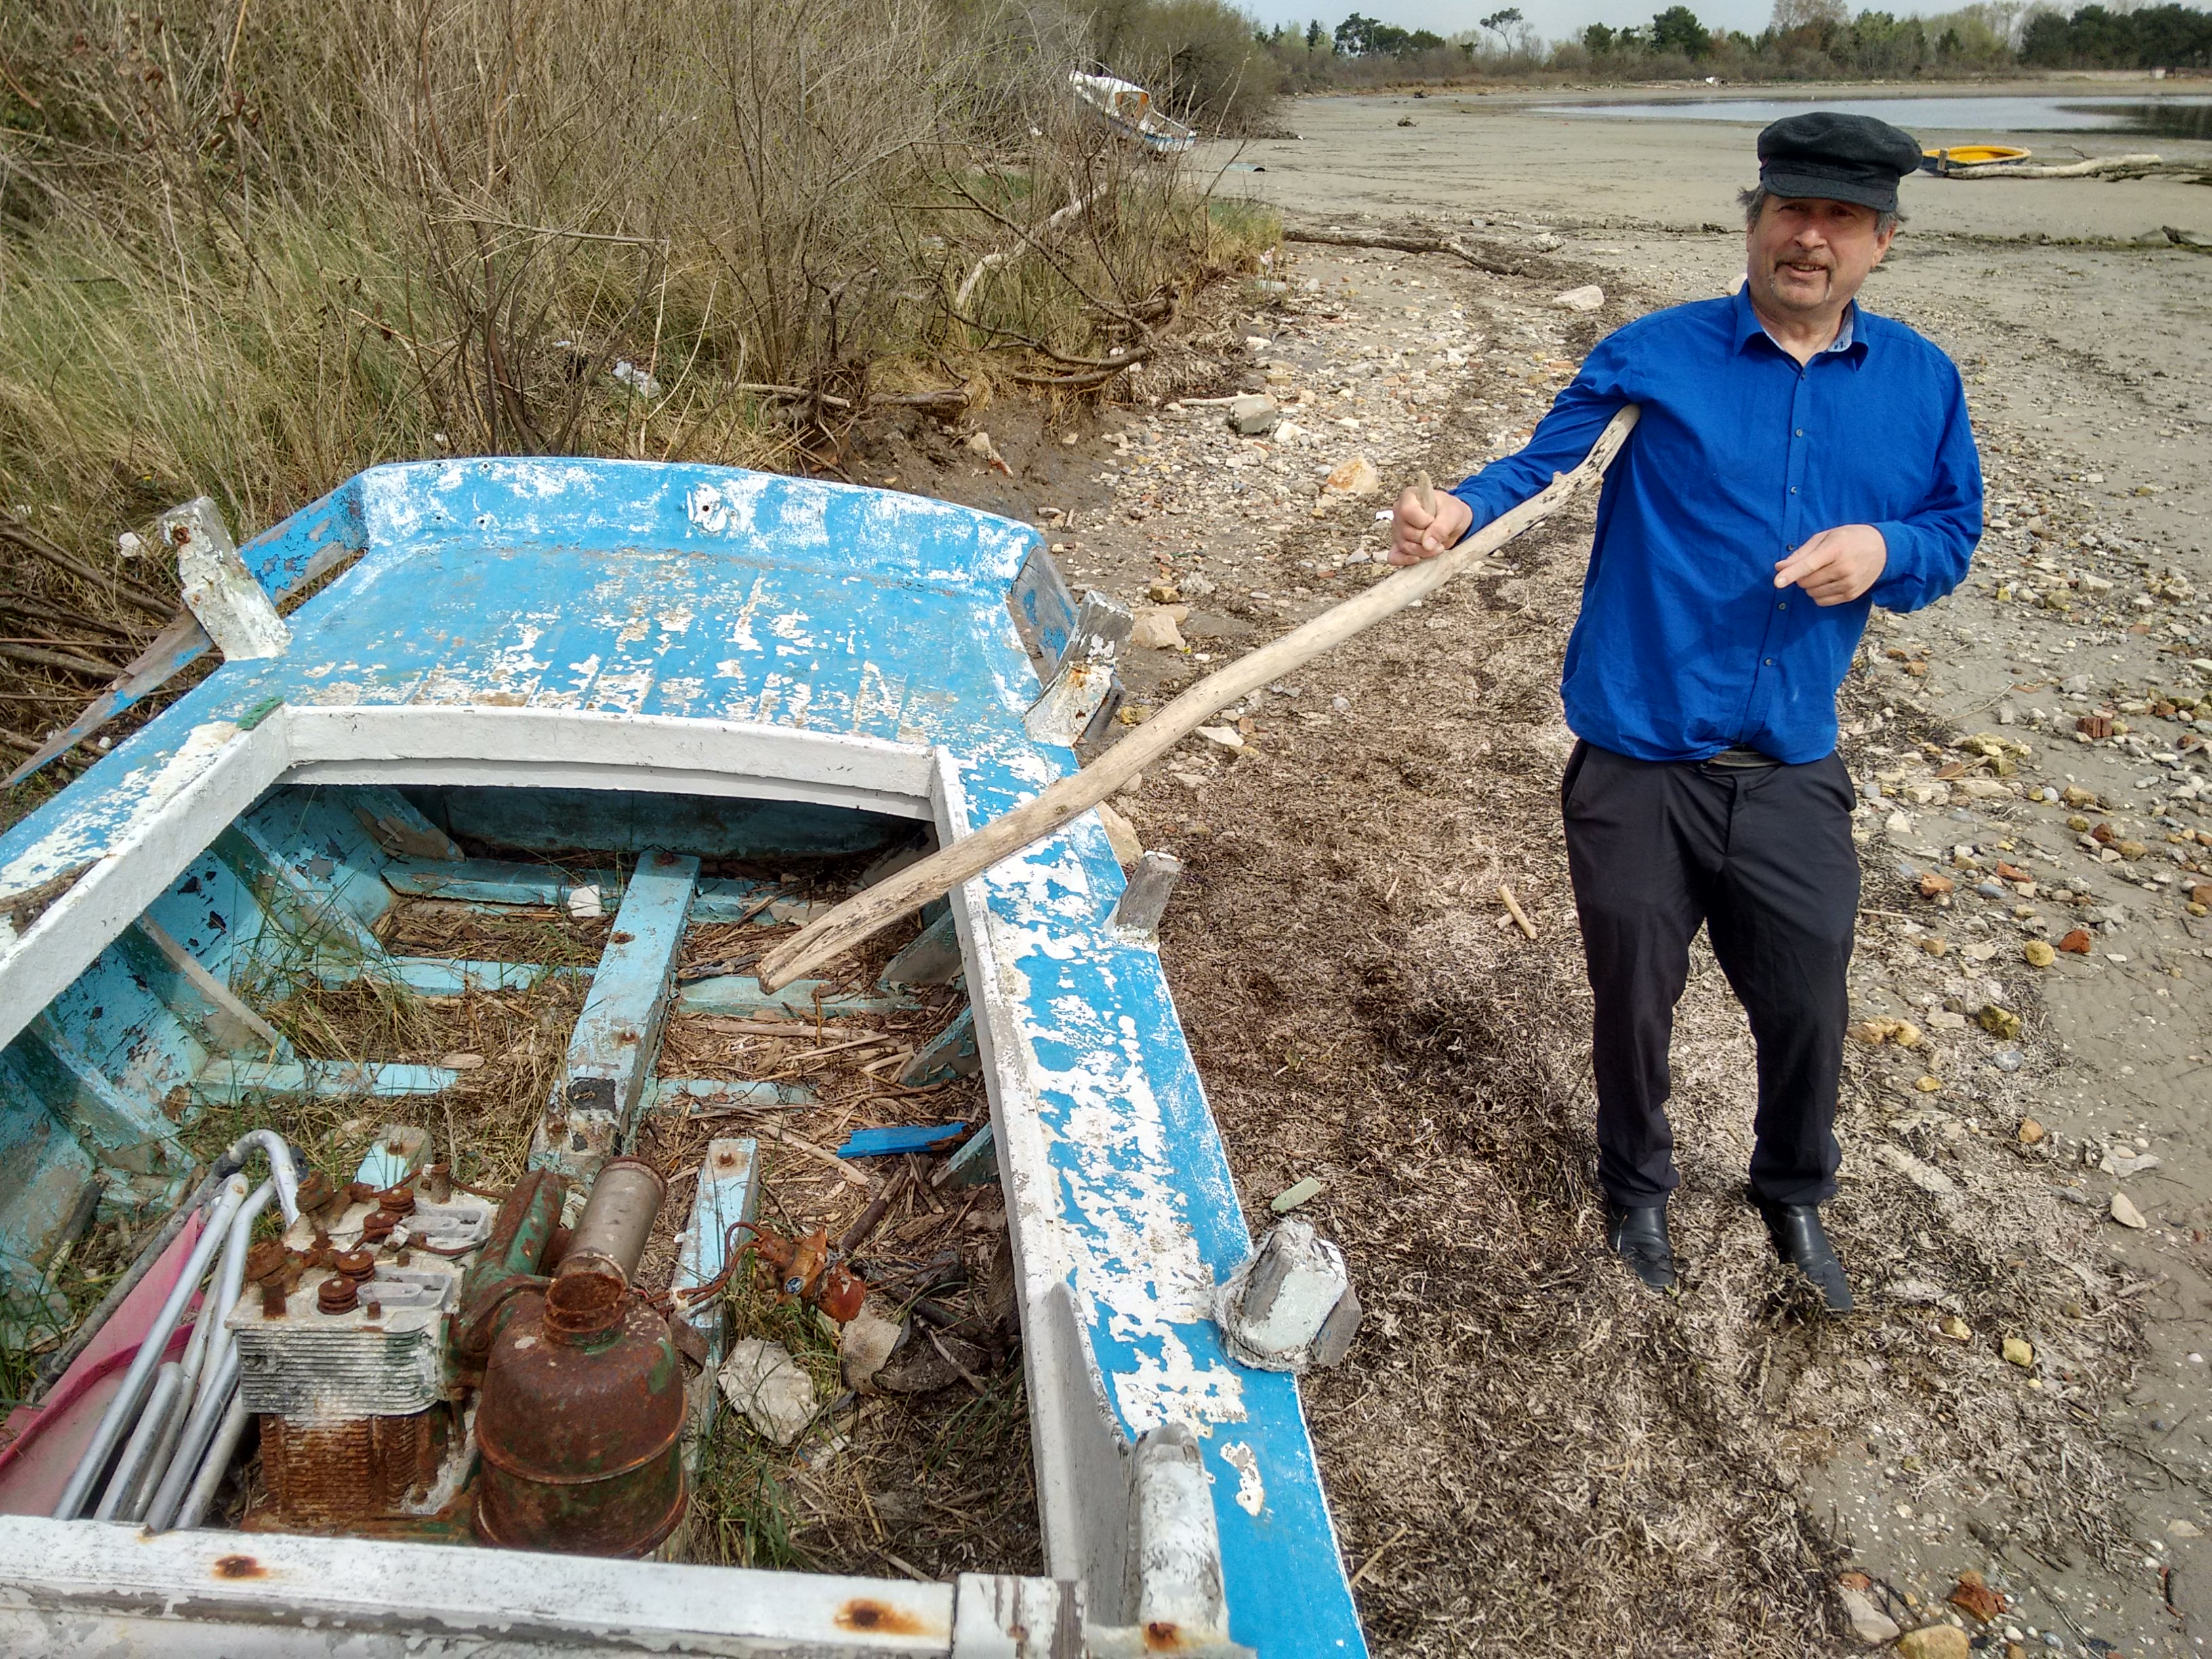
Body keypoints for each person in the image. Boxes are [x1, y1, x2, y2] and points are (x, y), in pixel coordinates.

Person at [1389, 112, 1982, 1311]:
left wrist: (1886, 548)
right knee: (1634, 1002)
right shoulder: (1653, 355)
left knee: (1809, 1002)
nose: (1811, 238)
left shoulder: (1922, 383)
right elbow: (1540, 470)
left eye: (1843, 219)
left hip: (1791, 762)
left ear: (1882, 242)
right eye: (1792, 211)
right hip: (1638, 758)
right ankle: (1636, 1189)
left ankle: (1792, 1193)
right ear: (1754, 221)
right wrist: (1457, 511)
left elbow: (1952, 533)